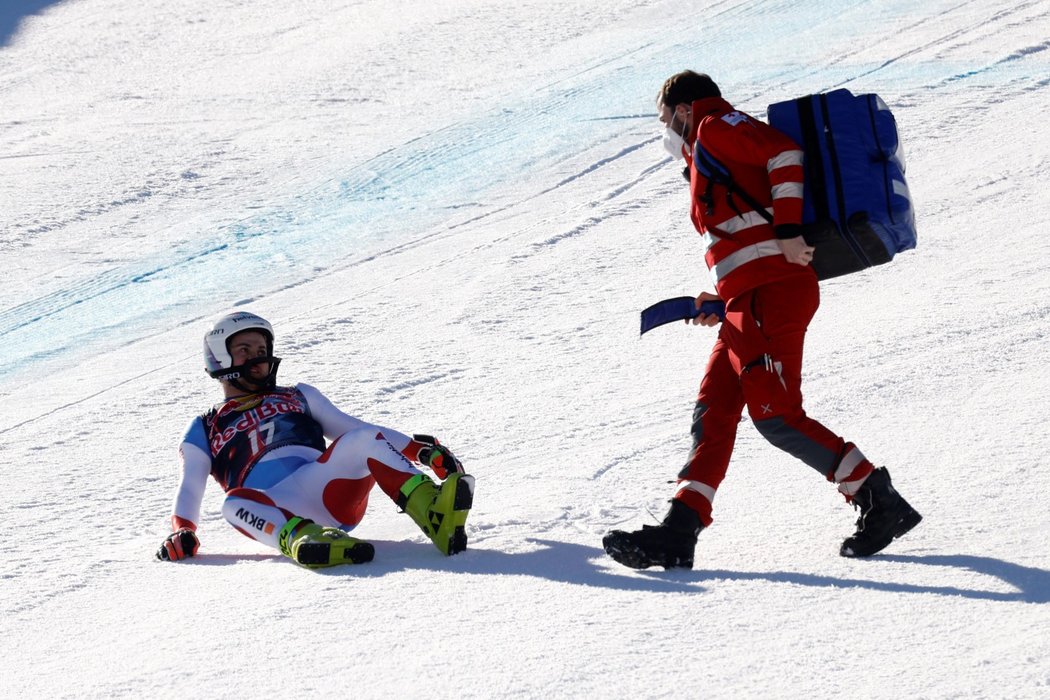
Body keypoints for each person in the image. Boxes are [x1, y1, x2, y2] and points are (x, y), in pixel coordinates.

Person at [603, 71, 921, 569]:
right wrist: (722, 295)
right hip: (745, 299)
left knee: (776, 416)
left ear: (684, 109)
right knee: (714, 411)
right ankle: (678, 531)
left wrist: (790, 230)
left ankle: (878, 499)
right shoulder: (706, 145)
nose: (666, 132)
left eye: (666, 120)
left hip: (770, 294)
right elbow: (742, 229)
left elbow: (784, 155)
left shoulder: (714, 126)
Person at [156, 311, 474, 568]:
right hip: (274, 506)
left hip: (325, 487)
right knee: (234, 503)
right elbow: (190, 485)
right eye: (245, 350)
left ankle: (434, 513)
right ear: (220, 359)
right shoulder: (204, 426)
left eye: (262, 350)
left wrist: (419, 450)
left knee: (361, 438)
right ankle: (305, 541)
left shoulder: (299, 395)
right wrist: (183, 530)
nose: (259, 358)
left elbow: (353, 427)